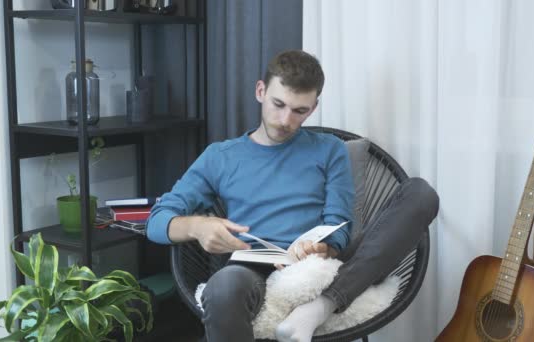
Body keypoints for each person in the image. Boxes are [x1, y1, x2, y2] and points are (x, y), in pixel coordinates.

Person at [146, 50, 439, 342]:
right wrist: (198, 227)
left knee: (421, 194)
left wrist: (322, 247)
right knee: (222, 286)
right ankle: (321, 305)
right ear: (261, 91)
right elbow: (156, 222)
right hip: (255, 266)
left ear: (313, 108)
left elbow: (339, 222)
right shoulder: (221, 156)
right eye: (278, 104)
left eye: (299, 111)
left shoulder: (330, 149)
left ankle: (321, 306)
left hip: (325, 265)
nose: (285, 120)